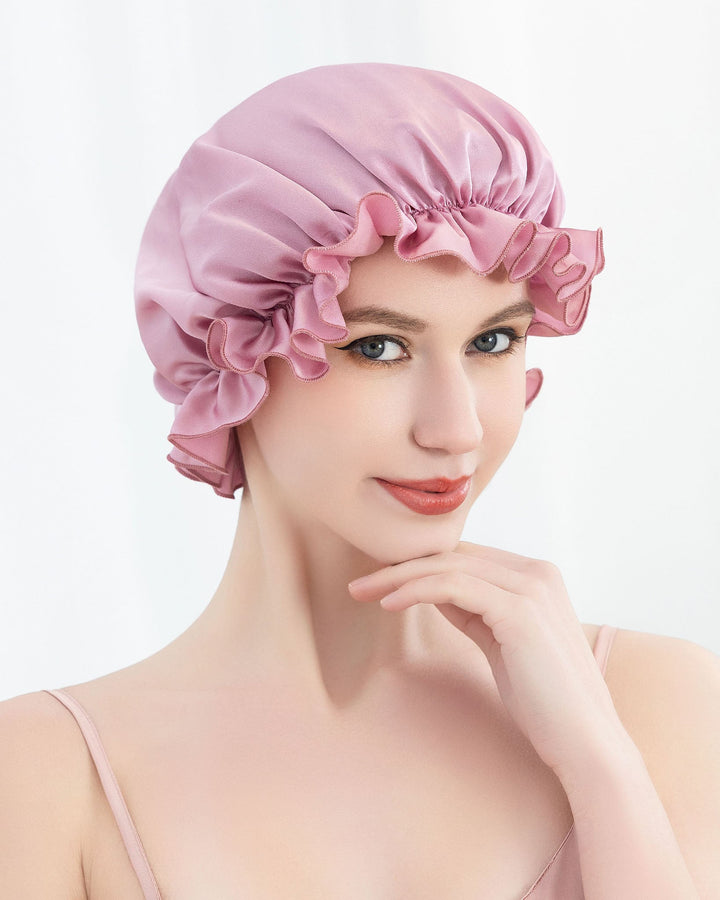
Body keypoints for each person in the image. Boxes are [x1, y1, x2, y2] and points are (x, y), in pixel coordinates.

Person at [0, 62, 717, 899]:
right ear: (231, 354)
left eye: (493, 342)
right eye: (378, 347)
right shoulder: (47, 778)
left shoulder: (660, 704)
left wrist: (599, 764)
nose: (457, 428)